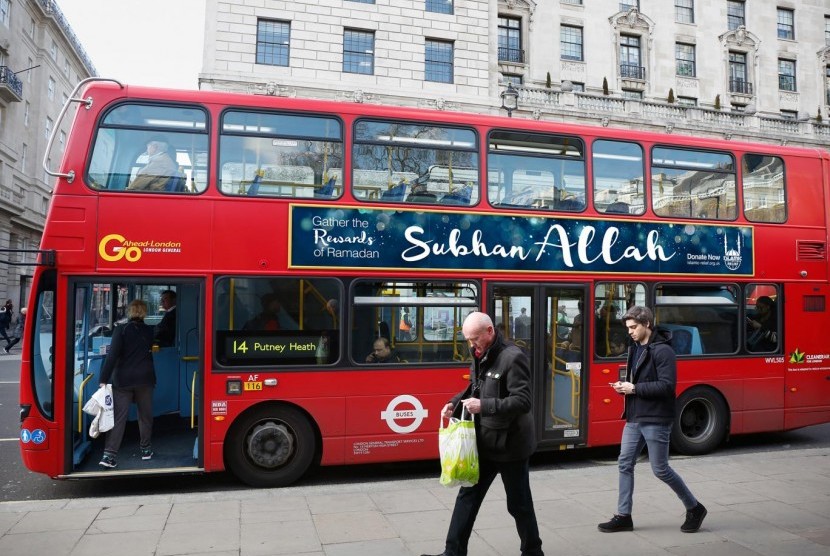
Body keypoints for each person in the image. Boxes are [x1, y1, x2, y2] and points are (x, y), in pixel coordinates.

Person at [422, 312, 544, 556]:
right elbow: (475, 387)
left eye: (475, 338)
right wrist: (454, 402)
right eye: (468, 339)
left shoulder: (513, 357)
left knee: (519, 504)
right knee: (467, 497)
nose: (471, 344)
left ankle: (533, 551)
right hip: (485, 441)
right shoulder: (479, 352)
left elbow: (523, 401)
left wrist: (484, 406)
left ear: (490, 331)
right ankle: (452, 552)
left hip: (511, 446)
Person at [598, 305, 707, 534]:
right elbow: (637, 381)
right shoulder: (635, 348)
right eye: (628, 328)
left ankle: (694, 507)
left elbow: (667, 387)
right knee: (624, 463)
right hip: (635, 416)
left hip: (656, 418)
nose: (630, 332)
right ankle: (623, 516)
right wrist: (624, 388)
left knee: (660, 469)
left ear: (647, 324)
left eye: (634, 327)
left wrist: (634, 388)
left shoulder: (663, 351)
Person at [98, 299, 157, 469]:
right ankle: (146, 450)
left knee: (118, 418)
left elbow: (112, 356)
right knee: (145, 416)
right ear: (144, 312)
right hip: (145, 378)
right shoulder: (149, 330)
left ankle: (109, 455)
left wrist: (103, 379)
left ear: (130, 312)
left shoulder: (121, 329)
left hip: (123, 379)